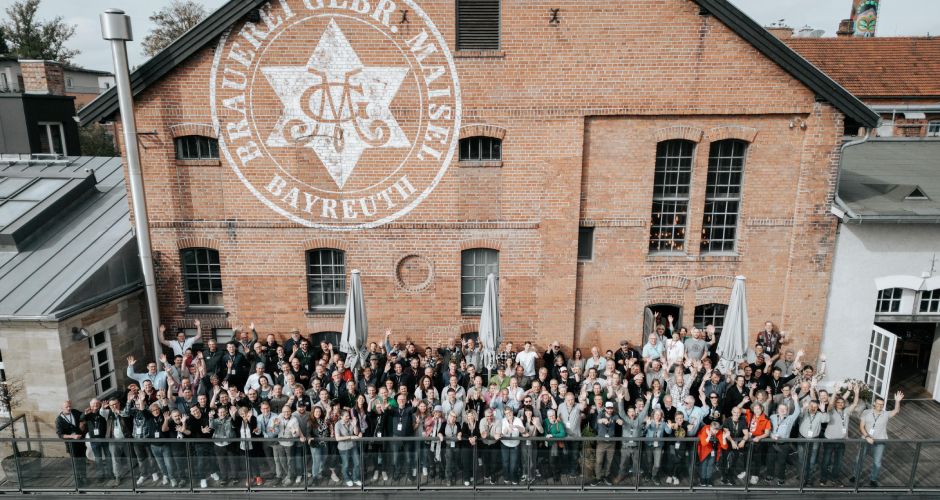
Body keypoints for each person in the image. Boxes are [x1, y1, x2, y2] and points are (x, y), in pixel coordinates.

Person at [852, 391, 904, 488]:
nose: (880, 406)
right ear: (874, 403)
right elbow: (861, 427)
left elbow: (896, 411)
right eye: (878, 404)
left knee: (877, 462)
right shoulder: (866, 412)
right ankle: (856, 476)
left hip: (880, 441)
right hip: (866, 440)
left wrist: (897, 401)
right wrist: (867, 437)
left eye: (882, 405)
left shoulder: (885, 414)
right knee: (859, 459)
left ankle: (873, 479)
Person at [820, 383, 860, 487]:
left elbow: (855, 404)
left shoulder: (846, 411)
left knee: (838, 462)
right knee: (826, 461)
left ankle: (834, 478)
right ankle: (823, 478)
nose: (840, 403)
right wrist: (835, 392)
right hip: (829, 440)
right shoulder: (831, 411)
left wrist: (856, 393)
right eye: (838, 402)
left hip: (841, 441)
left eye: (842, 402)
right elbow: (831, 402)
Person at [767, 393, 801, 486]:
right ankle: (769, 475)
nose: (782, 410)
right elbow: (768, 429)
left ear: (787, 411)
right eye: (780, 409)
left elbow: (797, 412)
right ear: (778, 410)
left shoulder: (790, 418)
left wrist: (796, 401)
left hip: (784, 444)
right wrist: (772, 435)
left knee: (782, 462)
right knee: (770, 460)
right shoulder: (772, 417)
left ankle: (781, 477)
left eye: (784, 409)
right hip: (772, 442)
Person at [83, 398, 115, 484]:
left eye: (97, 403)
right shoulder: (88, 413)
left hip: (104, 438)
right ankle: (101, 474)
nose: (95, 405)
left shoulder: (102, 411)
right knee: (98, 458)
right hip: (94, 440)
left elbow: (107, 415)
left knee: (108, 456)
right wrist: (85, 413)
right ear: (90, 405)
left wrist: (103, 408)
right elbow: (81, 418)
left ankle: (110, 472)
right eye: (94, 404)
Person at [56, 401, 89, 487]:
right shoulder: (59, 420)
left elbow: (82, 415)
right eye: (66, 407)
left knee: (82, 459)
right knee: (75, 461)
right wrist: (72, 437)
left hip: (80, 441)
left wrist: (81, 421)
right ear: (62, 408)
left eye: (69, 406)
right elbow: (60, 435)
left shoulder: (74, 412)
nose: (69, 408)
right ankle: (77, 479)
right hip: (71, 443)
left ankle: (84, 477)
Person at [335, 409, 363, 487]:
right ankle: (347, 479)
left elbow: (356, 433)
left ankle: (356, 478)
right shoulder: (338, 424)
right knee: (346, 464)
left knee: (357, 462)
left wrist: (354, 426)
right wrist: (350, 437)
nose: (348, 417)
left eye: (348, 416)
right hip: (343, 447)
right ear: (341, 417)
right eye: (346, 416)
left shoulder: (351, 421)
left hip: (353, 445)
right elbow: (337, 438)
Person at [697, 421, 728, 487]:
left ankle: (708, 478)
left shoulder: (719, 432)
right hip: (704, 449)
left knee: (711, 464)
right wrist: (709, 436)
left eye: (716, 429)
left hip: (713, 450)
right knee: (704, 463)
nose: (715, 431)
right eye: (713, 429)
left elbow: (725, 447)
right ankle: (702, 478)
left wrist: (724, 438)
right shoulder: (706, 429)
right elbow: (703, 443)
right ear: (710, 427)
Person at [543, 409, 566, 482]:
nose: (552, 417)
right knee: (548, 460)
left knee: (552, 461)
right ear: (547, 416)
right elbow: (544, 431)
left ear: (555, 415)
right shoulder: (546, 421)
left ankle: (555, 474)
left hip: (554, 444)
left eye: (553, 415)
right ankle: (551, 472)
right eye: (550, 416)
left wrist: (552, 435)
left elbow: (563, 434)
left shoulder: (558, 423)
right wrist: (546, 435)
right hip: (546, 444)